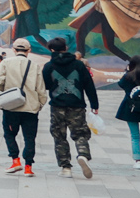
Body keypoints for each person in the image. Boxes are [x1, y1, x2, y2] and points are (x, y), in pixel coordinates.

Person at [42, 35, 100, 179]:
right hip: (77, 105)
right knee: (80, 133)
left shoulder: (49, 66)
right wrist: (94, 104)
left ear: (51, 50)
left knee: (59, 136)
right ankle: (83, 155)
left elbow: (46, 85)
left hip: (57, 106)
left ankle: (65, 167)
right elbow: (89, 85)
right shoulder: (79, 65)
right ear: (66, 48)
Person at [0, 38, 46, 176]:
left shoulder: (5, 63)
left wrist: (6, 89)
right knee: (30, 137)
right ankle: (28, 167)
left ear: (14, 49)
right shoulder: (34, 66)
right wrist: (40, 104)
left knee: (9, 134)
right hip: (31, 108)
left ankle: (15, 161)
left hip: (11, 107)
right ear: (29, 50)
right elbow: (41, 89)